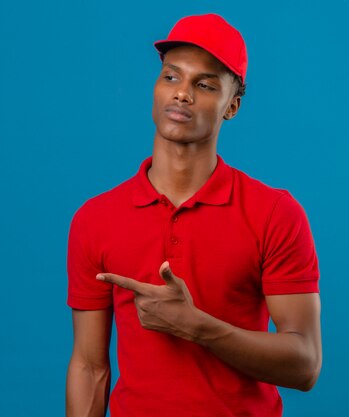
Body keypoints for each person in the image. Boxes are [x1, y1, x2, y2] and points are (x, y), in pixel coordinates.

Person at [65, 13, 321, 417]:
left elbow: (305, 364)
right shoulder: (95, 219)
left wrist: (198, 327)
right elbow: (89, 366)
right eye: (171, 77)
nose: (182, 94)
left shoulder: (274, 213)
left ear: (231, 107)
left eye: (204, 85)